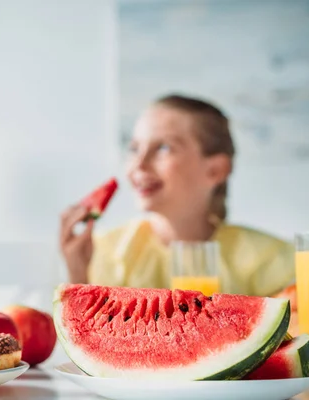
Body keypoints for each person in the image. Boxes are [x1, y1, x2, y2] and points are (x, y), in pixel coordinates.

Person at [59, 94, 294, 297]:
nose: (139, 165)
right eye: (134, 149)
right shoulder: (103, 254)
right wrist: (79, 277)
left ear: (215, 170)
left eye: (164, 148)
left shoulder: (272, 261)